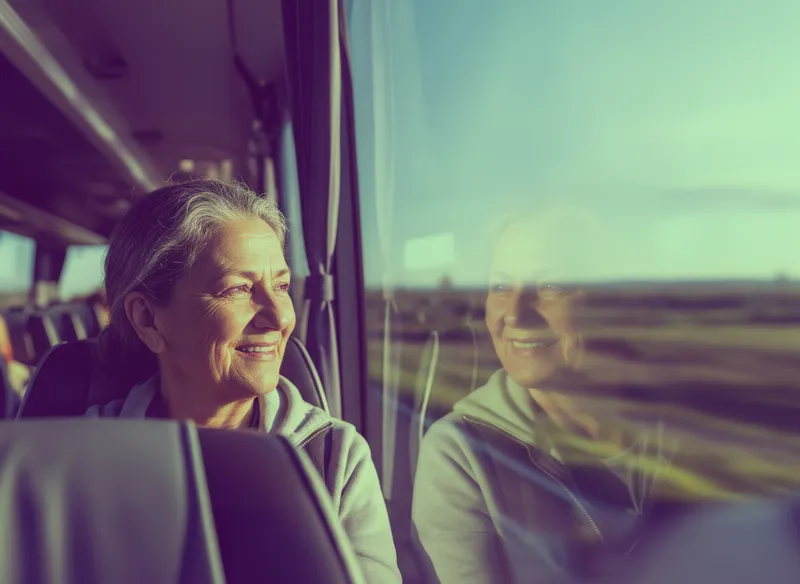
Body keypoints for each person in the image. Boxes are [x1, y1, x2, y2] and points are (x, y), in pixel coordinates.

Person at [85, 179, 401, 584]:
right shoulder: (82, 455)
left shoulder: (335, 458)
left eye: (281, 286)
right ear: (148, 319)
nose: (280, 317)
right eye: (238, 289)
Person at [412, 210, 679, 584]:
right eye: (500, 287)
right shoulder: (461, 453)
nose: (515, 314)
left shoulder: (690, 429)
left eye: (551, 286)